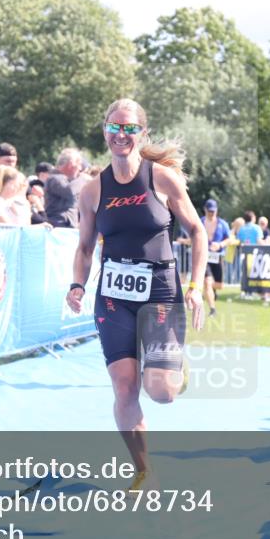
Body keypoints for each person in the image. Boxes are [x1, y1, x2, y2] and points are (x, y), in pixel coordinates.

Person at [66, 98, 206, 492]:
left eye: (129, 128)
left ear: (141, 133)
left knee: (161, 393)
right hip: (113, 296)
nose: (121, 135)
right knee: (125, 386)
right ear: (105, 131)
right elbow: (84, 247)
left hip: (160, 291)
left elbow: (197, 232)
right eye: (115, 127)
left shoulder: (162, 178)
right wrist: (77, 284)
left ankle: (172, 367)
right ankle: (144, 470)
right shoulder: (93, 190)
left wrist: (195, 287)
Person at [200, 199, 231, 317]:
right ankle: (212, 309)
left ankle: (209, 290)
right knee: (207, 282)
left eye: (213, 211)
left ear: (217, 210)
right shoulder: (200, 222)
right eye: (209, 211)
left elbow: (229, 239)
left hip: (217, 257)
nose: (211, 213)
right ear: (205, 210)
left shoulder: (222, 224)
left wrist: (220, 245)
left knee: (219, 285)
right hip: (204, 256)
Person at [45, 147, 85, 228]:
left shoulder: (71, 181)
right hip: (58, 225)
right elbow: (69, 191)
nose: (80, 169)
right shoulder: (54, 178)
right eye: (79, 164)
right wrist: (82, 179)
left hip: (69, 225)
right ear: (71, 164)